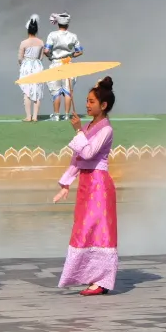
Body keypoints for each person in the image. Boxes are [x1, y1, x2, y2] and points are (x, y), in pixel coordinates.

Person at [53, 77, 118, 296]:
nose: (87, 105)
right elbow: (78, 159)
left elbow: (89, 153)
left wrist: (78, 131)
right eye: (87, 101)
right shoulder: (90, 126)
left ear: (103, 105)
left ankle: (102, 280)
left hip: (99, 184)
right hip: (86, 184)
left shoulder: (106, 130)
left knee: (99, 230)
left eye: (91, 101)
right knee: (84, 230)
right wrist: (65, 183)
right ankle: (94, 277)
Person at [44, 12, 84, 121]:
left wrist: (50, 56)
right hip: (68, 64)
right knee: (68, 91)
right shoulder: (73, 36)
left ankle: (56, 115)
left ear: (58, 23)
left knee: (56, 91)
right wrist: (71, 55)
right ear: (68, 24)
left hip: (56, 64)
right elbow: (80, 51)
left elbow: (46, 50)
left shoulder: (52, 35)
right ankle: (67, 115)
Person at [18, 14, 45, 122]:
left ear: (28, 30)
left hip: (27, 66)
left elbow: (20, 58)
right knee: (37, 90)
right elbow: (41, 57)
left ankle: (28, 116)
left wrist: (23, 64)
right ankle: (35, 116)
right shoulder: (41, 42)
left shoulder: (23, 43)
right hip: (37, 65)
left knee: (27, 91)